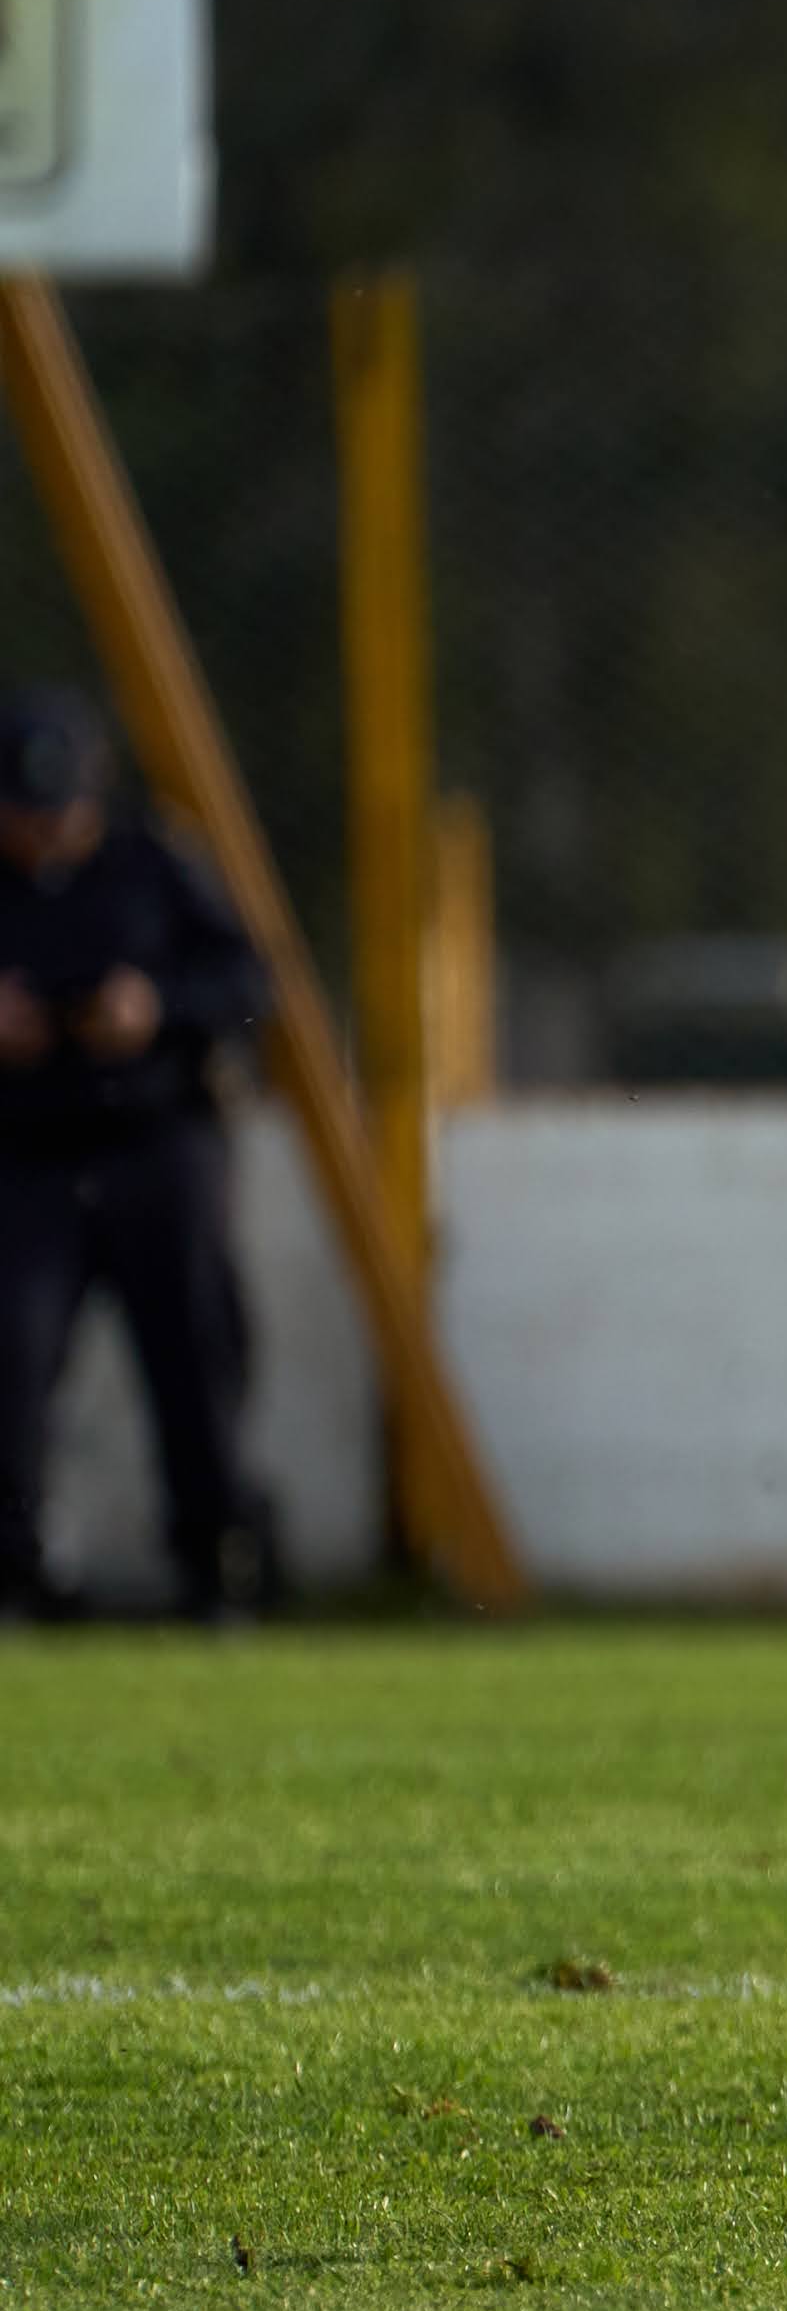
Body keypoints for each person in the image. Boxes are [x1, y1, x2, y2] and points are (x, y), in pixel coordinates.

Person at [0, 685, 276, 1622]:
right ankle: (21, 1568)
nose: (45, 831)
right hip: (27, 1153)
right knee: (13, 1350)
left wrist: (153, 1006)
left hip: (156, 1146)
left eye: (61, 809)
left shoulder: (154, 864)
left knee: (192, 1353)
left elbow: (251, 984)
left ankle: (215, 1560)